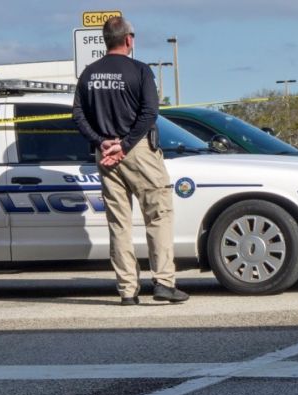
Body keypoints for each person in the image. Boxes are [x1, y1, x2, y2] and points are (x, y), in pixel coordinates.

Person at [73, 16, 188, 305]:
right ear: (128, 40)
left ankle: (127, 290)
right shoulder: (139, 70)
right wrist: (124, 145)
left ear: (105, 40)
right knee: (158, 216)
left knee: (119, 223)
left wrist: (102, 142)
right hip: (137, 151)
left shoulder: (89, 74)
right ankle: (163, 282)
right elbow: (150, 113)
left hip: (105, 153)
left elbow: (78, 115)